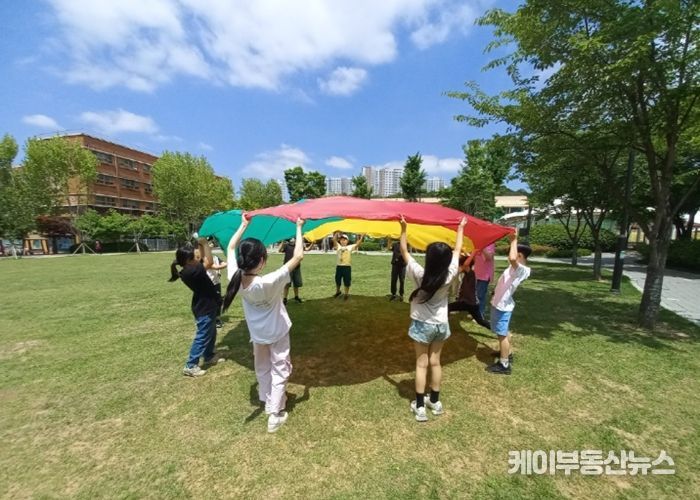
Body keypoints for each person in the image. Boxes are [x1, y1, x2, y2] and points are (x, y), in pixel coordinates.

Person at [224, 214, 305, 433]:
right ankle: (275, 415)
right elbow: (298, 255)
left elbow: (230, 247)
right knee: (280, 369)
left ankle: (268, 400)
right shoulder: (268, 281)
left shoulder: (235, 278)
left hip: (257, 335)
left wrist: (243, 225)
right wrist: (299, 227)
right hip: (277, 333)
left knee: (262, 368)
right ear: (261, 261)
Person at [400, 215, 466, 422]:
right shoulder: (450, 273)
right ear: (446, 260)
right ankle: (435, 402)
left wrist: (404, 229)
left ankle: (420, 406)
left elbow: (404, 251)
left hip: (422, 325)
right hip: (441, 324)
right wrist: (460, 227)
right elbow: (457, 250)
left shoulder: (420, 274)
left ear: (429, 258)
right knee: (435, 363)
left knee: (422, 365)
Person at [169, 237, 223, 377]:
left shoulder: (190, 268)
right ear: (188, 260)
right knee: (203, 335)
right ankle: (190, 365)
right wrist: (205, 244)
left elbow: (202, 257)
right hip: (204, 308)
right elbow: (208, 262)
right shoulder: (191, 271)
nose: (197, 257)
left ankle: (209, 356)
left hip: (207, 305)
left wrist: (200, 243)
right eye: (194, 256)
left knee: (211, 332)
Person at [487, 233, 531, 375]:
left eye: (512, 252)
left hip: (503, 307)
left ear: (519, 255)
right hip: (499, 304)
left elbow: (512, 258)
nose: (509, 256)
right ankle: (506, 352)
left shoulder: (522, 270)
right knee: (501, 332)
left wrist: (514, 240)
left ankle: (504, 364)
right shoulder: (514, 268)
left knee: (502, 334)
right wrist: (494, 293)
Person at [448, 252, 491, 329]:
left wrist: (474, 252)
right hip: (465, 303)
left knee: (480, 321)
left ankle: (497, 330)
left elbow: (465, 264)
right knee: (448, 308)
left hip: (472, 304)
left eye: (460, 265)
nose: (459, 267)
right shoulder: (466, 274)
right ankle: (445, 325)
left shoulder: (471, 274)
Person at [332, 232, 364, 300]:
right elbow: (334, 240)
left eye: (344, 239)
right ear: (340, 241)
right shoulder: (338, 246)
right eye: (341, 240)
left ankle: (346, 294)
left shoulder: (350, 247)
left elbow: (358, 244)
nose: (343, 241)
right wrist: (336, 233)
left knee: (347, 281)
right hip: (339, 266)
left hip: (347, 267)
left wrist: (361, 237)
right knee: (337, 280)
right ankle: (338, 292)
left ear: (347, 241)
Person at [473, 242, 495, 318]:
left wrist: (482, 247)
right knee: (476, 295)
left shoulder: (490, 243)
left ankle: (480, 314)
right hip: (477, 274)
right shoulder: (476, 244)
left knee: (480, 295)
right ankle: (476, 312)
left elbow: (489, 257)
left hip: (485, 275)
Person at [279, 238, 304, 305]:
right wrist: (282, 242)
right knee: (287, 284)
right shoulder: (286, 245)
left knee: (296, 284)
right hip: (288, 268)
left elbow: (306, 250)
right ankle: (285, 299)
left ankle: (296, 297)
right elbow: (280, 250)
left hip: (296, 267)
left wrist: (311, 243)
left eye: (294, 238)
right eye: (292, 238)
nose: (293, 240)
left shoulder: (297, 246)